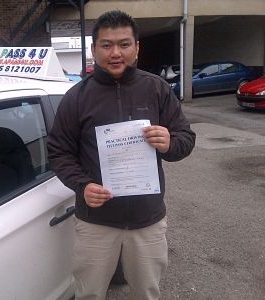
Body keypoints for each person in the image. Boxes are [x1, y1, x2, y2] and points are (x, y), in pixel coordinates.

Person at [47, 10, 196, 300]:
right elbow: (59, 151)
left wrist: (169, 142)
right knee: (89, 292)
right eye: (106, 45)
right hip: (95, 222)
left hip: (147, 220)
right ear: (93, 50)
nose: (115, 53)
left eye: (124, 44)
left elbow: (185, 138)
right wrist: (82, 185)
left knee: (147, 292)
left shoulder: (157, 89)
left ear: (137, 48)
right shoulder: (76, 97)